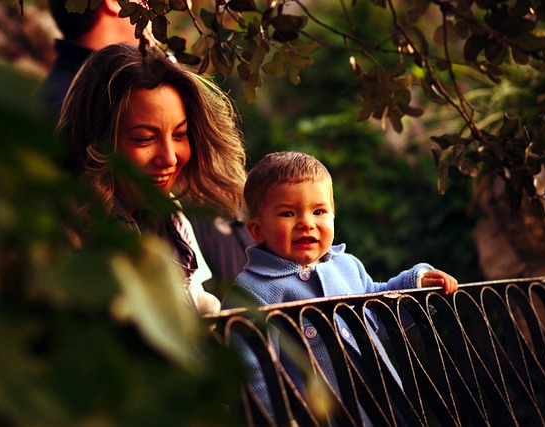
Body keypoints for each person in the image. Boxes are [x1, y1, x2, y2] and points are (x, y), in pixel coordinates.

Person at [221, 151, 458, 423]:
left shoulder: (346, 265)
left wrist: (416, 285)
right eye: (288, 213)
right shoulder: (252, 291)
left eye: (319, 211)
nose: (306, 223)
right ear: (257, 230)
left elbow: (376, 307)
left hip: (384, 411)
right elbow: (252, 371)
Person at [42, 0, 254, 293]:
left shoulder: (170, 218)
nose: (169, 158)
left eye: (181, 134)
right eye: (144, 139)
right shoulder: (74, 236)